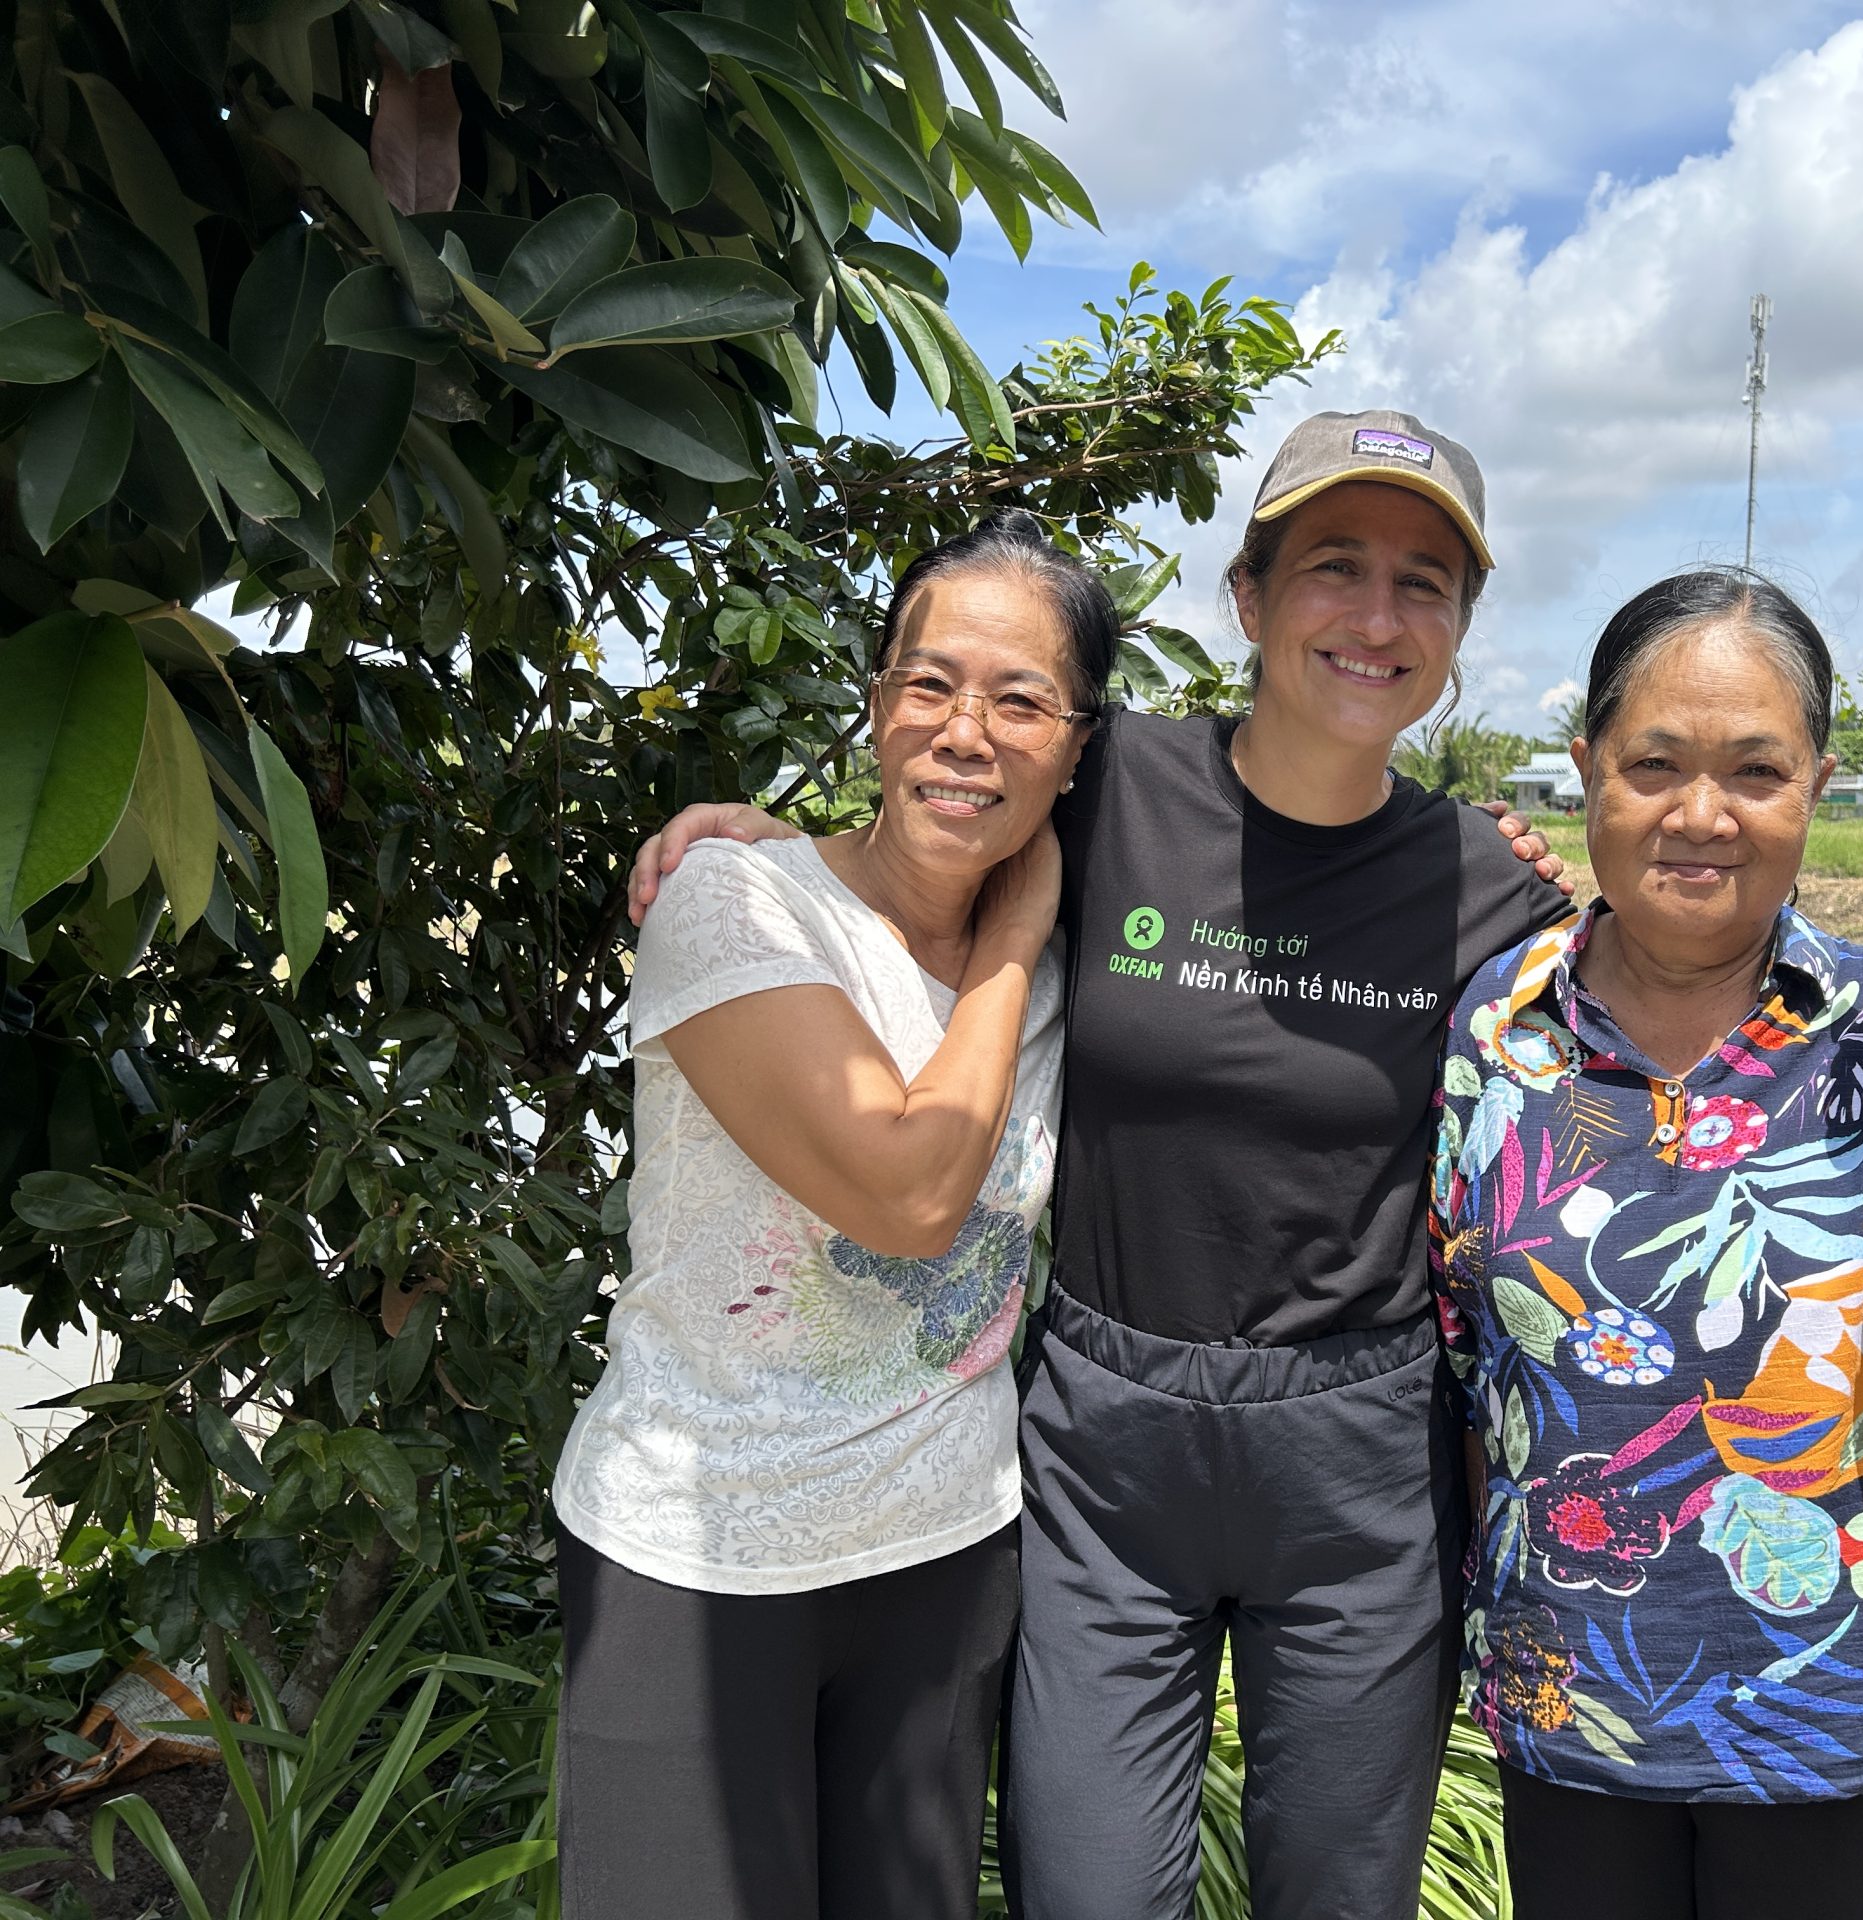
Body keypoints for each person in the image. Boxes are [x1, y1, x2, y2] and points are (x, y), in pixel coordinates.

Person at [624, 410, 1578, 1920]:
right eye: (1335, 565)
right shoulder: (1110, 782)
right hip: (1104, 1446)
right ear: (1251, 599)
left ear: (1460, 629)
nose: (1377, 616)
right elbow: (933, 813)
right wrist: (757, 844)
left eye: (1426, 583)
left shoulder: (1491, 889)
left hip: (1358, 1460)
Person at [1430, 568, 1863, 1920]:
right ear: (1588, 773)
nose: (1701, 815)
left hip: (1836, 1717)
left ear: (1818, 789)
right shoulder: (1500, 1026)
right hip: (1572, 1699)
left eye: (1755, 770)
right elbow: (1463, 1352)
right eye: (1655, 764)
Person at [551, 509, 1117, 1920]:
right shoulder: (739, 901)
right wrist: (1015, 939)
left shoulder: (1083, 934)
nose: (966, 731)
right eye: (928, 684)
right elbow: (913, 1189)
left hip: (944, 1557)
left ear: (1080, 744)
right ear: (874, 705)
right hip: (696, 1561)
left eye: (1022, 699)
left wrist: (1493, 857)